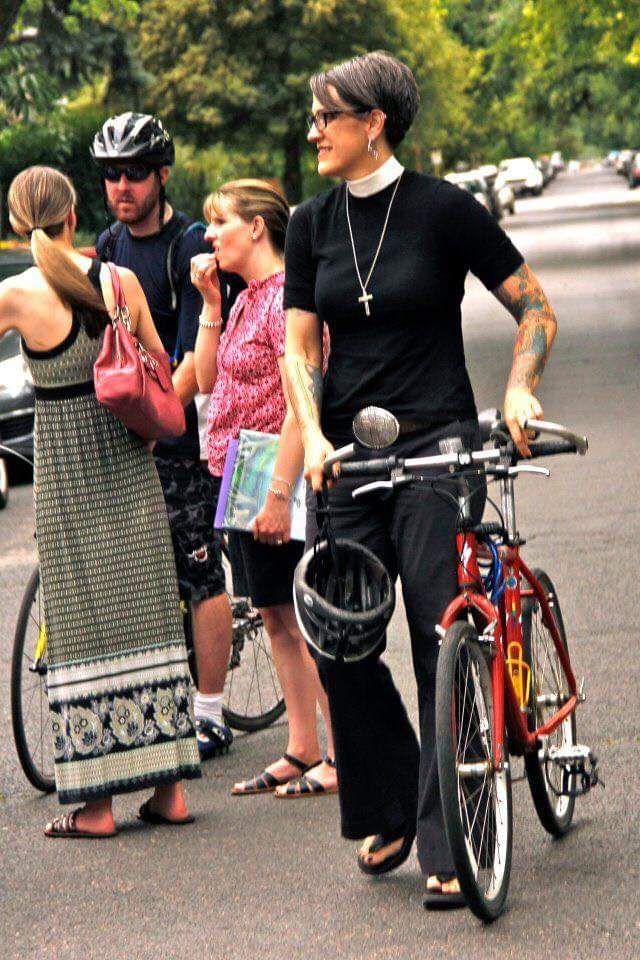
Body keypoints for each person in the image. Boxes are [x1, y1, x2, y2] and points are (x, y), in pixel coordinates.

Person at [283, 51, 558, 906]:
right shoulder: (311, 223)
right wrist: (312, 435)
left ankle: (454, 838)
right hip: (348, 458)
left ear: (375, 123)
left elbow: (534, 308)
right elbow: (299, 346)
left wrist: (519, 388)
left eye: (328, 116)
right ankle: (393, 803)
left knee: (441, 637)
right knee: (339, 638)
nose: (314, 131)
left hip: (439, 448)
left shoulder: (444, 210)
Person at [1, 166, 201, 836]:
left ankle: (96, 807)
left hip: (67, 477)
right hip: (130, 462)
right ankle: (170, 791)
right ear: (73, 216)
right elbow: (160, 368)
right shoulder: (120, 281)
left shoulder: (15, 295)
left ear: (17, 224)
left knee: (82, 625)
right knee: (150, 613)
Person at [91, 113, 242, 761]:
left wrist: (155, 424)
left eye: (133, 173)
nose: (121, 186)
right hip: (135, 433)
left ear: (162, 175)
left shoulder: (190, 247)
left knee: (199, 570)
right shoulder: (108, 245)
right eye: (110, 174)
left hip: (186, 437)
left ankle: (210, 714)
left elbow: (188, 363)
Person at [192, 179, 337, 798]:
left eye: (219, 221)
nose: (208, 235)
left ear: (256, 228)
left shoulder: (286, 300)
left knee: (308, 617)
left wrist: (279, 492)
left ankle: (341, 756)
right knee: (275, 614)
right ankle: (302, 747)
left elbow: (303, 400)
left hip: (277, 471)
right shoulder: (246, 299)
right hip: (241, 473)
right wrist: (210, 305)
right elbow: (206, 380)